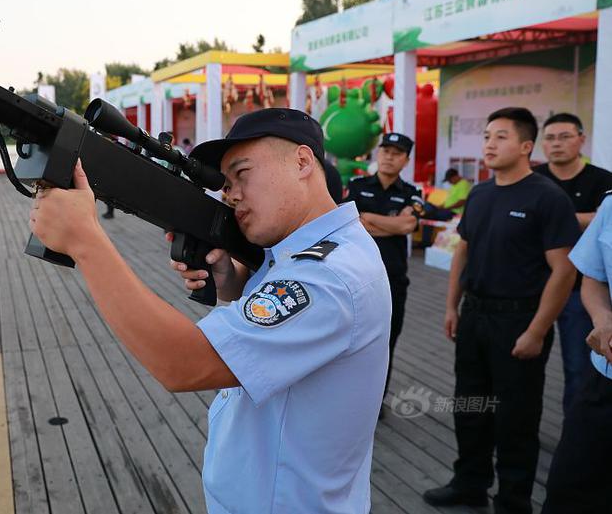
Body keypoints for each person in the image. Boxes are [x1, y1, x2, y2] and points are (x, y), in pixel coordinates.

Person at [31, 108, 391, 513]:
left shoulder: (330, 277)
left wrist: (86, 241)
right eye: (226, 182)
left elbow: (183, 364)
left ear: (303, 162)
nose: (230, 193)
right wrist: (237, 287)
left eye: (242, 173)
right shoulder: (303, 252)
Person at [423, 107, 579, 514]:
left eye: (501, 137)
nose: (490, 144)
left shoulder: (547, 198)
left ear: (527, 146)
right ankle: (469, 483)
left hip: (519, 320)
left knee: (516, 417)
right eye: (487, 135)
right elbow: (464, 251)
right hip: (474, 316)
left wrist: (537, 331)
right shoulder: (480, 193)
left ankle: (513, 500)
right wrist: (451, 306)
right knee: (470, 406)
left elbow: (562, 270)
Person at [533, 112, 612, 412]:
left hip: (584, 292)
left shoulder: (603, 181)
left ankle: (574, 431)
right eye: (550, 138)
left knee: (579, 369)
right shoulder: (535, 179)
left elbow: (603, 223)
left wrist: (555, 219)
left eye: (565, 136)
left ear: (581, 139)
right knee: (525, 363)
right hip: (536, 287)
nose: (556, 144)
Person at [542, 190, 612, 513]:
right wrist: (603, 318)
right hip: (603, 381)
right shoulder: (611, 205)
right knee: (568, 489)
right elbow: (593, 279)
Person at [346, 132, 424, 413]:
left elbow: (407, 227)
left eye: (397, 152)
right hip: (354, 276)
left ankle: (374, 404)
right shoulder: (356, 185)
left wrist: (370, 220)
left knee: (386, 342)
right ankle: (350, 402)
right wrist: (391, 222)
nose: (389, 156)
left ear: (406, 159)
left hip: (393, 279)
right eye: (385, 150)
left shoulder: (412, 193)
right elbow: (354, 221)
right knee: (350, 340)